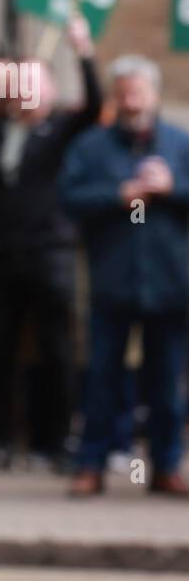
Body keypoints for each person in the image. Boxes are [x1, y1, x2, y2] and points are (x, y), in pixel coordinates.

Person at [0, 18, 102, 469]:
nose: (25, 93)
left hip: (49, 255)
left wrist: (83, 51)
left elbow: (94, 106)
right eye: (19, 85)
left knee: (56, 349)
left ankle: (57, 441)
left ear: (49, 91)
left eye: (35, 84)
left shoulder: (61, 131)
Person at [60, 55, 189, 497]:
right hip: (112, 281)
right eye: (125, 90)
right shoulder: (92, 146)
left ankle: (167, 465)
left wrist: (171, 188)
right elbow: (69, 198)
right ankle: (91, 464)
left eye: (140, 90)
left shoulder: (178, 144)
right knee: (101, 377)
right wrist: (119, 194)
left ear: (154, 94)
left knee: (167, 382)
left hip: (170, 283)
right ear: (116, 95)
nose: (132, 98)